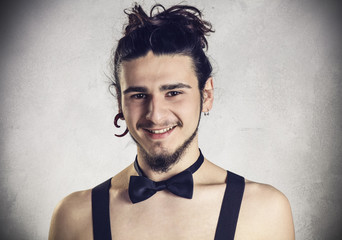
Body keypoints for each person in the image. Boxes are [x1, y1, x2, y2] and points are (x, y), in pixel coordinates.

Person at [48, 3, 295, 240]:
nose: (155, 115)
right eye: (138, 95)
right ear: (119, 102)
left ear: (206, 95)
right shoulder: (75, 216)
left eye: (174, 93)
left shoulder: (264, 211)